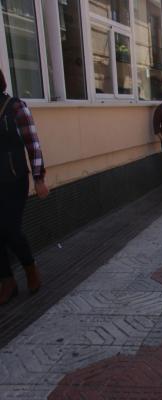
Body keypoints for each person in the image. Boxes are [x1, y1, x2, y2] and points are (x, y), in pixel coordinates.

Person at [0, 69, 48, 305]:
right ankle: (7, 281)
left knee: (10, 228)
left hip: (12, 178)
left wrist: (38, 178)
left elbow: (33, 144)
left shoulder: (16, 107)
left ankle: (30, 269)